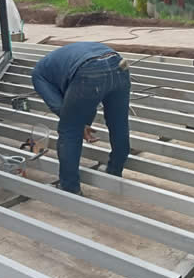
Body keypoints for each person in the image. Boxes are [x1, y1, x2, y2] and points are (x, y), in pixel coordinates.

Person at [31, 42, 131, 195]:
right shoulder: (56, 64)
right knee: (119, 123)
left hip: (89, 69)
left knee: (69, 130)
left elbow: (60, 108)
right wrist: (83, 122)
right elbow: (80, 101)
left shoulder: (39, 75)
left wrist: (79, 124)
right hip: (118, 64)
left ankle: (70, 187)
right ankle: (114, 171)